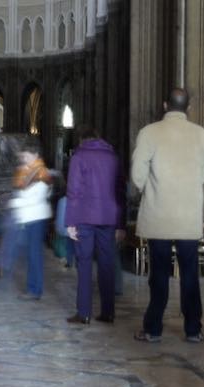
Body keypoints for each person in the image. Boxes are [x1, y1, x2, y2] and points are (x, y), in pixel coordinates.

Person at [130, 88, 204, 343]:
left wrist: (151, 190)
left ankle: (153, 329)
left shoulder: (149, 132)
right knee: (189, 274)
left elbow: (137, 173)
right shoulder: (201, 135)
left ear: (165, 104)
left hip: (159, 215)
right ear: (189, 106)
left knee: (159, 275)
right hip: (188, 216)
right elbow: (203, 174)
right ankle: (193, 329)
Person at [64, 126, 123, 324]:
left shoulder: (79, 156)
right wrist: (120, 223)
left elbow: (73, 191)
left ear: (82, 141)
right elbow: (119, 190)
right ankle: (108, 312)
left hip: (84, 216)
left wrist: (70, 221)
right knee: (107, 264)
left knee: (84, 263)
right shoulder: (113, 157)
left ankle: (84, 313)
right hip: (108, 217)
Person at [5, 138, 53, 300]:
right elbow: (21, 190)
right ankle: (32, 287)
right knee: (29, 253)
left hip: (36, 218)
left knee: (34, 255)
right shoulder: (26, 171)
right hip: (28, 217)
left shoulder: (41, 172)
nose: (23, 159)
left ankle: (34, 290)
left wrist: (14, 202)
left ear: (35, 155)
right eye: (23, 156)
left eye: (26, 156)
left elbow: (36, 198)